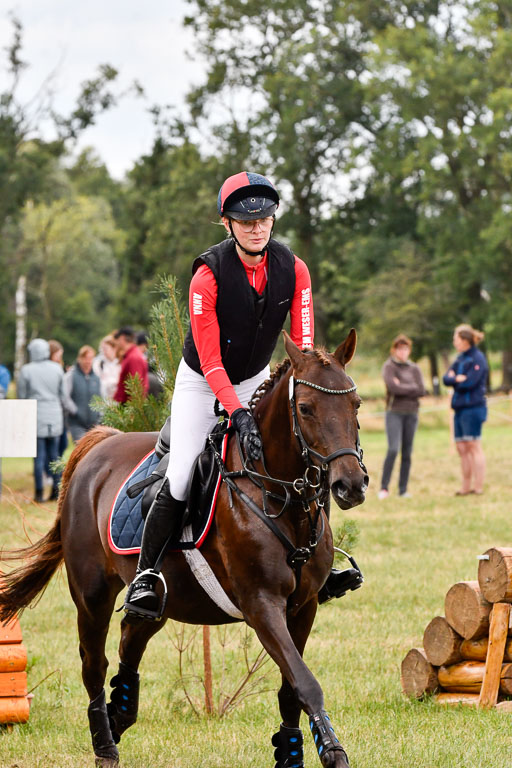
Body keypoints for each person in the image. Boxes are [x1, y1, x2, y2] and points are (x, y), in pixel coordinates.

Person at [124, 170, 344, 620]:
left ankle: (321, 565)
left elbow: (302, 346)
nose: (257, 227)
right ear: (227, 224)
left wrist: (302, 379)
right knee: (184, 471)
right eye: (246, 222)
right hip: (202, 382)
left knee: (304, 455)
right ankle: (147, 575)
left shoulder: (294, 268)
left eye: (264, 219)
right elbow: (210, 362)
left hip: (258, 376)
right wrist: (237, 413)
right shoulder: (208, 275)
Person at [378, 334, 426, 500]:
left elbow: (421, 390)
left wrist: (404, 386)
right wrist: (410, 387)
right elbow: (393, 388)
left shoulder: (414, 368)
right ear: (394, 350)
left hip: (412, 413)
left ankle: (403, 489)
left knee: (407, 452)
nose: (403, 352)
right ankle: (384, 487)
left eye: (406, 349)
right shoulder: (389, 366)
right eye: (400, 349)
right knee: (393, 449)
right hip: (395, 413)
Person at [443, 324, 488, 496]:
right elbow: (446, 378)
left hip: (473, 408)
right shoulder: (460, 359)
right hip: (459, 409)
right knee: (462, 447)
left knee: (473, 445)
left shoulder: (478, 358)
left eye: (456, 339)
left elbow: (470, 382)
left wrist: (458, 380)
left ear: (465, 340)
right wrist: (456, 379)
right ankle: (465, 487)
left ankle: (478, 487)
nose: (454, 342)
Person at [17, 338, 64, 502]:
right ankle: (56, 491)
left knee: (38, 457)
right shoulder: (57, 368)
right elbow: (62, 394)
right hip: (55, 415)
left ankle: (38, 493)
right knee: (55, 456)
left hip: (36, 416)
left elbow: (22, 396)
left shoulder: (26, 370)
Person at [63, 345, 101, 442]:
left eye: (90, 358)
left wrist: (99, 414)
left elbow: (101, 398)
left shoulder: (96, 378)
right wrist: (75, 411)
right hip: (76, 422)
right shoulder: (71, 375)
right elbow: (65, 396)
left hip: (94, 423)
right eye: (85, 358)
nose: (88, 361)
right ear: (80, 358)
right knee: (81, 447)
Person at [47, 340, 68, 471]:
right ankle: (53, 473)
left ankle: (55, 472)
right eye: (58, 355)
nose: (59, 358)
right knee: (54, 447)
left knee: (62, 444)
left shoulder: (59, 368)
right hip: (54, 412)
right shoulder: (54, 369)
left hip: (60, 413)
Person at [113, 327, 149, 404]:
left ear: (122, 338)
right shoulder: (131, 355)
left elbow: (136, 386)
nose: (116, 342)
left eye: (117, 339)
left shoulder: (133, 357)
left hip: (129, 406)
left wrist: (132, 412)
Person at [93, 335, 120, 399]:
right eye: (102, 349)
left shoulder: (121, 363)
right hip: (104, 401)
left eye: (105, 348)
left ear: (114, 348)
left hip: (119, 401)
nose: (103, 351)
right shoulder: (98, 363)